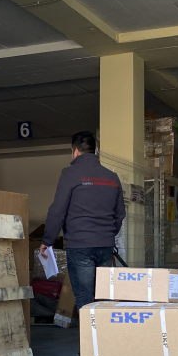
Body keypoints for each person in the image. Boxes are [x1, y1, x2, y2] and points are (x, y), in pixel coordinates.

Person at [40, 131, 126, 309]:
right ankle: (103, 327)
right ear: (95, 151)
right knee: (104, 296)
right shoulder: (112, 177)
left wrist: (47, 240)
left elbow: (57, 210)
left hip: (80, 245)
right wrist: (107, 234)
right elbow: (120, 214)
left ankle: (89, 328)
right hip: (105, 245)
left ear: (75, 151)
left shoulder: (70, 174)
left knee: (85, 298)